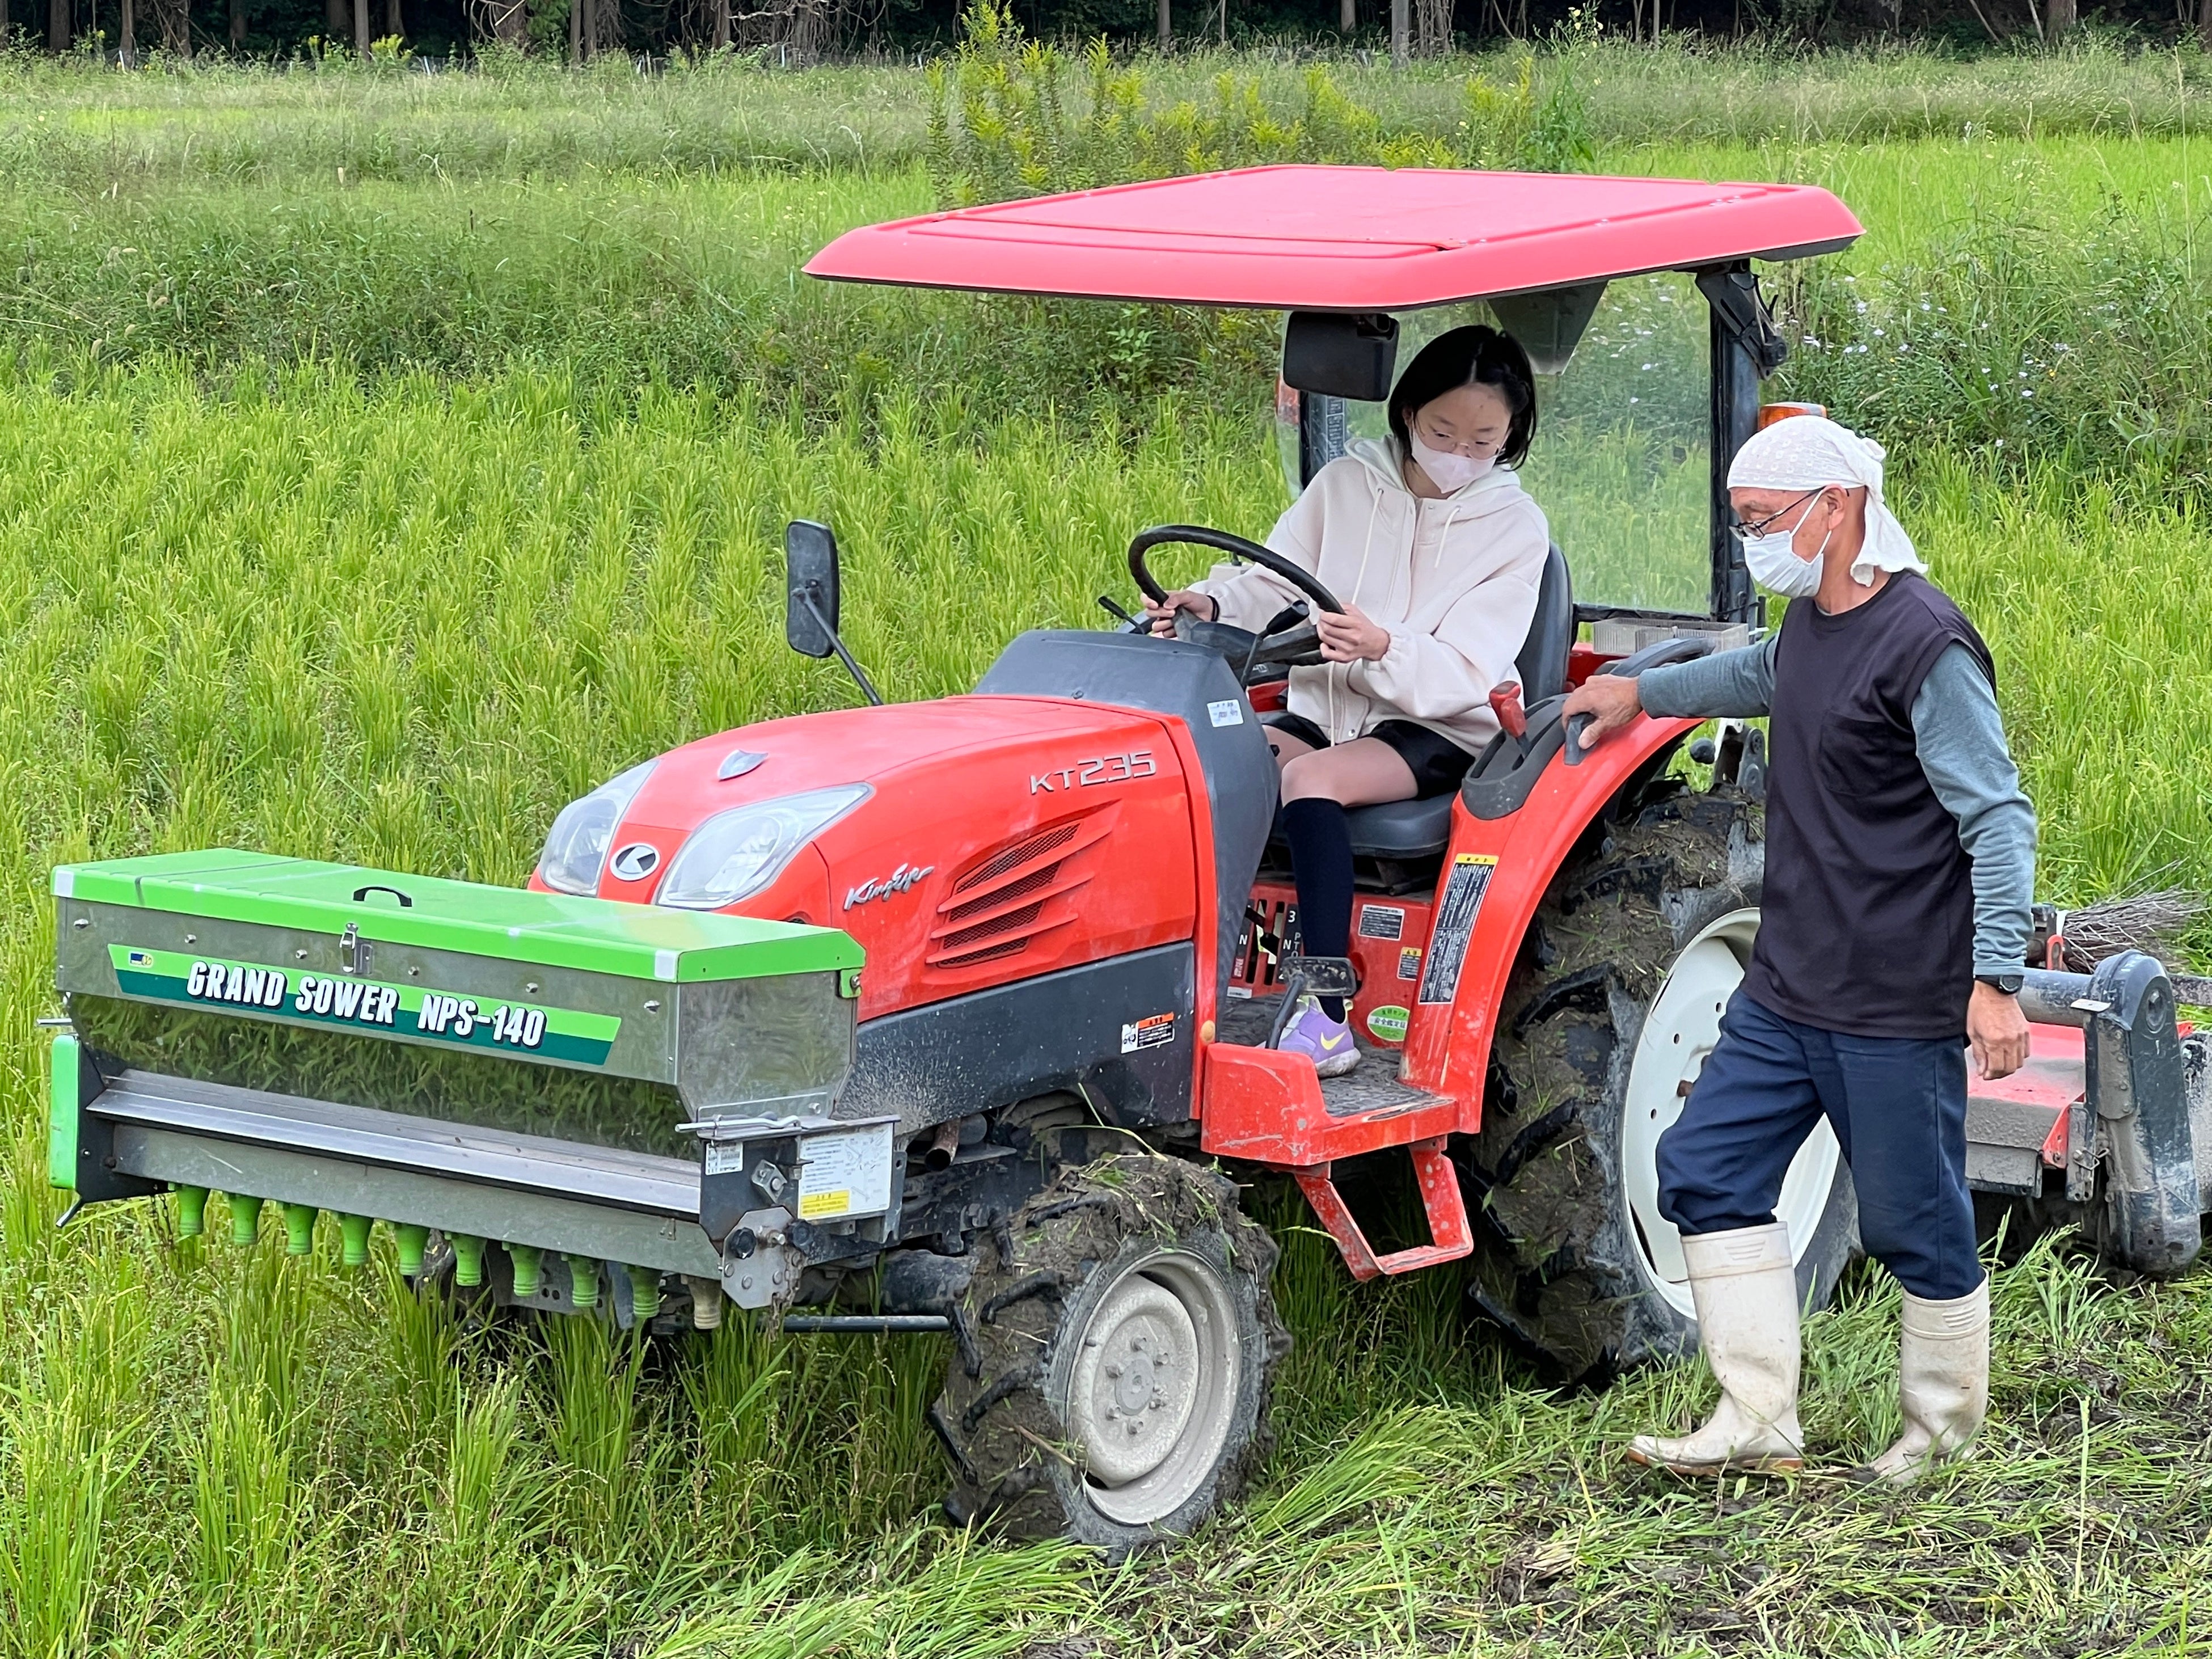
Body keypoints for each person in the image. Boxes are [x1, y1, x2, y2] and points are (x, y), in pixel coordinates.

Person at [1563, 413, 2035, 1485]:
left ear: (1839, 504)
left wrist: (1997, 979)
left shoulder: (1926, 645)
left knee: (1916, 1221)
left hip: (1893, 998)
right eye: (1741, 523)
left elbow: (2000, 820)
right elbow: (1759, 673)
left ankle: (1940, 1434)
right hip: (1787, 986)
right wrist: (1643, 690)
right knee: (1703, 1168)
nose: (1753, 542)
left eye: (1763, 519)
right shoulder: (1812, 624)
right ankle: (1757, 1415)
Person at [1147, 326, 1551, 1076]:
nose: (1459, 453)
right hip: (1326, 708)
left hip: (1437, 721)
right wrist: (1211, 602)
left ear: (1511, 435)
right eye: (1443, 432)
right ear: (1409, 414)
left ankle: (1327, 1012)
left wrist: (1383, 646)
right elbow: (1273, 584)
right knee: (1201, 764)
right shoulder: (1343, 487)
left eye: (1483, 441)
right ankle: (1186, 975)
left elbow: (1472, 664)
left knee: (1311, 779)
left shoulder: (1514, 529)